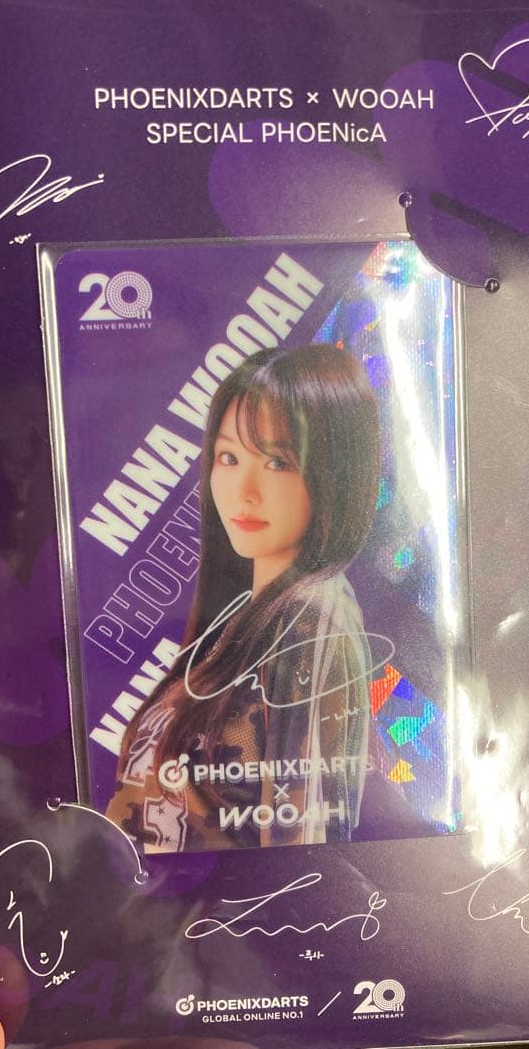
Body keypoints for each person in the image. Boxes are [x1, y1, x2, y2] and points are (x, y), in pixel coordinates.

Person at [106, 344, 381, 853]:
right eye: (229, 457)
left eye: (277, 462)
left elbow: (303, 849)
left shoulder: (312, 622)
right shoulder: (245, 618)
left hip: (216, 906)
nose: (244, 490)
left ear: (336, 475)